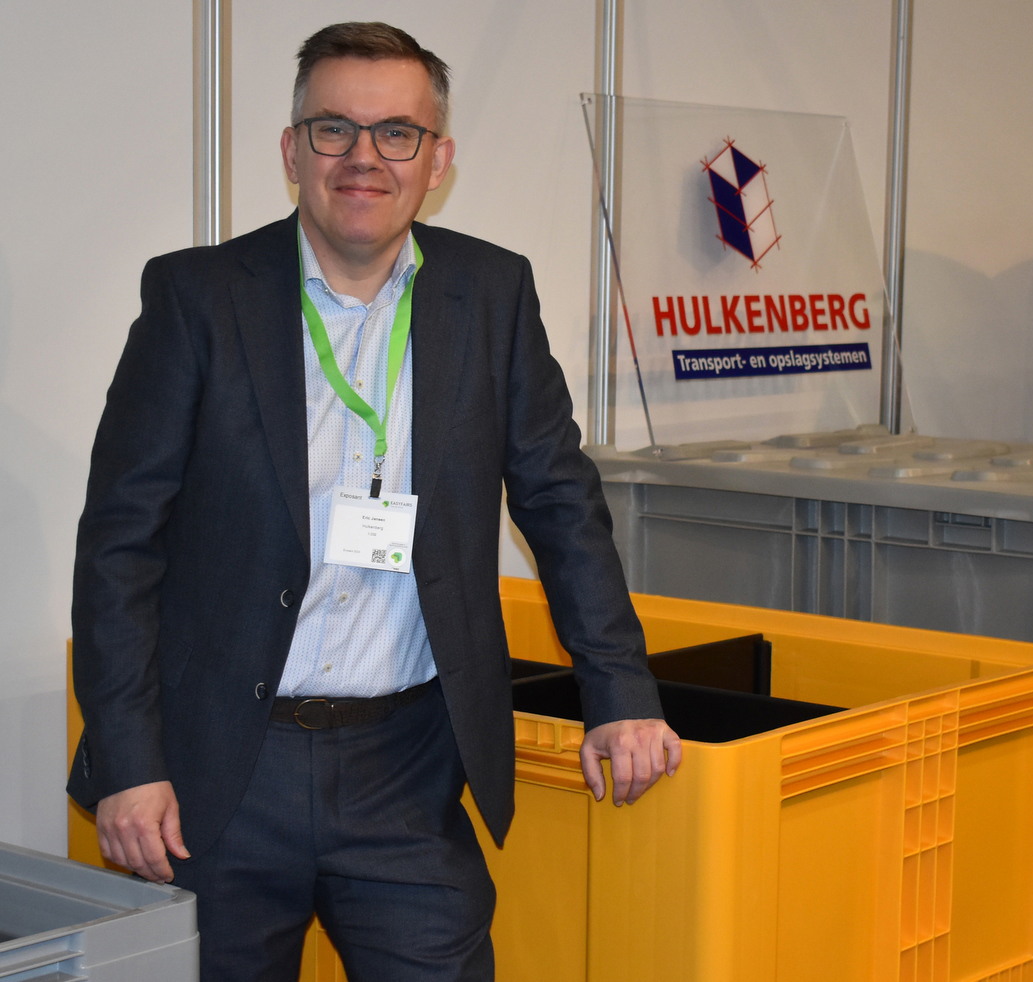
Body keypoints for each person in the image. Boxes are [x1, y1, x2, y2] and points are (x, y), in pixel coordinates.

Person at [68, 21, 681, 982]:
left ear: (437, 159)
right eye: (334, 129)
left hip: (409, 770)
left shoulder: (492, 293)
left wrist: (621, 694)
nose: (364, 157)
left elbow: (562, 503)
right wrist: (128, 762)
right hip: (217, 773)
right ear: (292, 150)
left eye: (397, 132)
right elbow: (119, 545)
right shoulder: (197, 297)